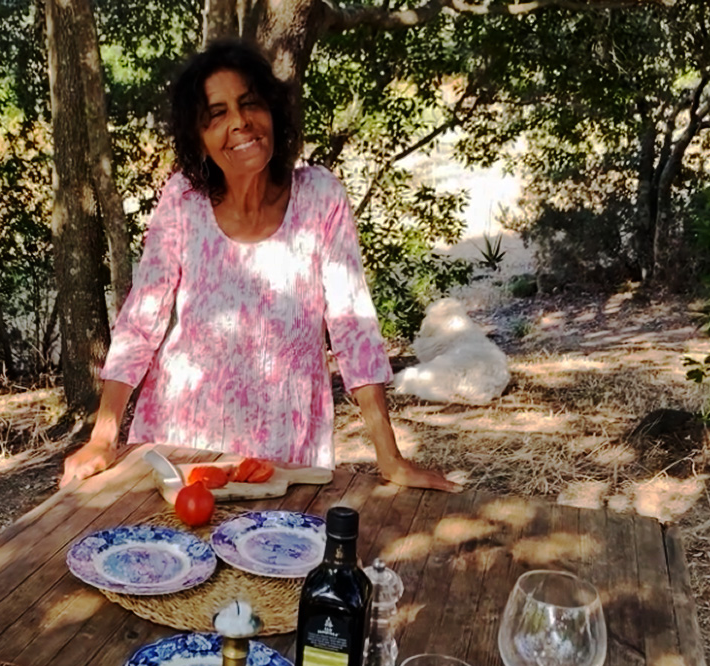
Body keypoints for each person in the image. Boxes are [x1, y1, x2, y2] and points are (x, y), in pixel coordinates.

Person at [60, 40, 457, 492]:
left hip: (283, 452)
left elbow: (353, 327)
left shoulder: (320, 197)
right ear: (199, 141)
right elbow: (141, 319)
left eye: (250, 104)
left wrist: (390, 458)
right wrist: (103, 437)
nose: (240, 122)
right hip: (182, 445)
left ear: (273, 112)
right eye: (217, 115)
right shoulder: (183, 201)